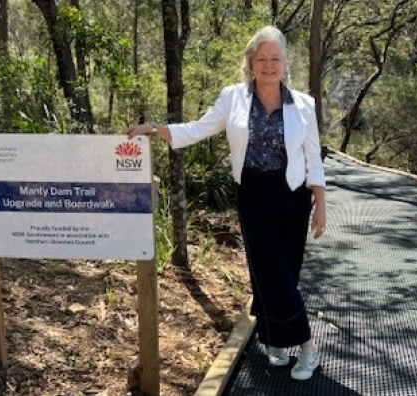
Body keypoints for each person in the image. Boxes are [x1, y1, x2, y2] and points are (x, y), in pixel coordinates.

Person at [125, 25, 326, 381]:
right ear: (251, 62)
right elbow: (197, 129)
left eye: (275, 59)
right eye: (261, 59)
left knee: (286, 272)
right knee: (270, 271)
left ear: (284, 62)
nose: (268, 65)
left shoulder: (304, 105)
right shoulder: (233, 98)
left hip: (293, 196)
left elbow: (313, 157)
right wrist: (155, 129)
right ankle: (308, 348)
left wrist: (320, 203)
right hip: (253, 193)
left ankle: (275, 340)